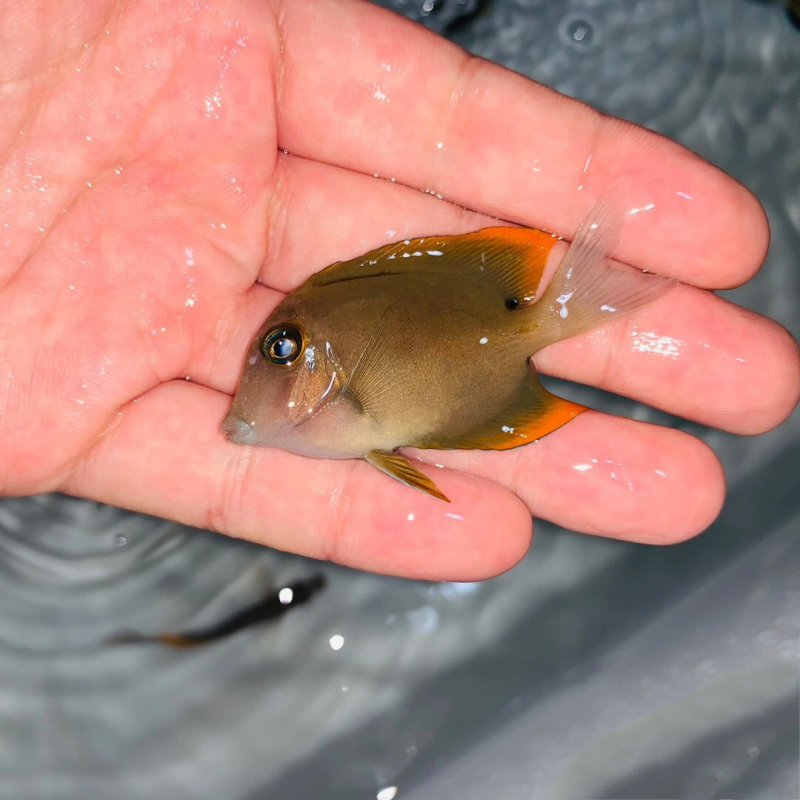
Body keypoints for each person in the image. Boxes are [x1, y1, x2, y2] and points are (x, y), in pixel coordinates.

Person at [1, 0, 797, 581]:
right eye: (279, 348)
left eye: (284, 347)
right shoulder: (325, 404)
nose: (274, 361)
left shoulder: (326, 386)